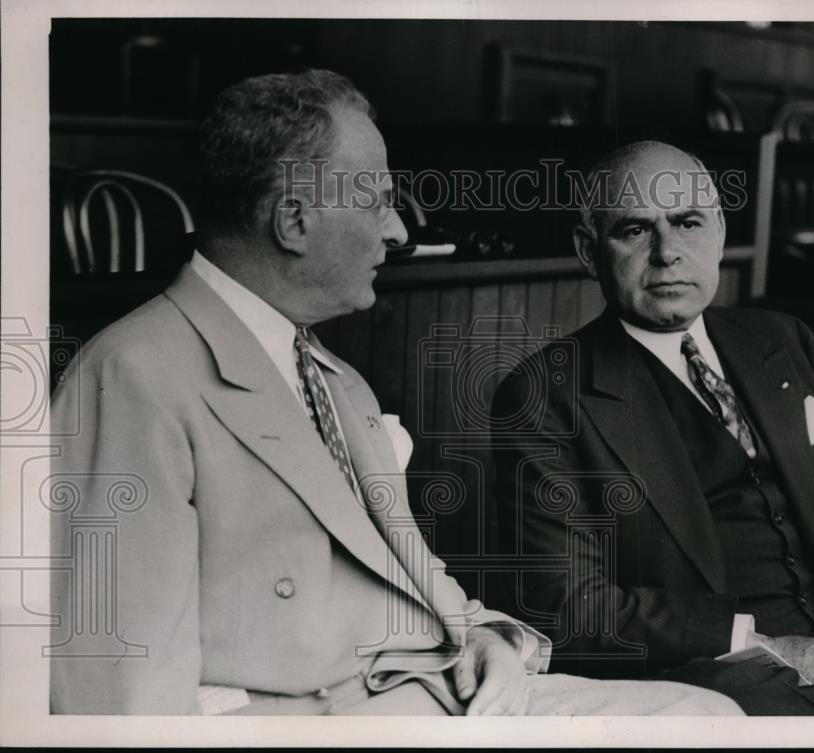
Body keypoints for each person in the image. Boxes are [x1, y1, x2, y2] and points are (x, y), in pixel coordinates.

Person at [48, 72, 740, 717]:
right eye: (379, 200)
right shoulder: (133, 374)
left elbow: (404, 573)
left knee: (708, 716)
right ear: (293, 222)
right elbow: (120, 686)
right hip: (337, 720)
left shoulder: (331, 375)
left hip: (448, 683)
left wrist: (486, 637)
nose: (399, 230)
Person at [491, 140, 814, 715]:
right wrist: (767, 646)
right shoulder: (545, 393)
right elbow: (568, 606)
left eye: (687, 222)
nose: (667, 253)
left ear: (719, 233)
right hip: (709, 682)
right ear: (588, 251)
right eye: (634, 230)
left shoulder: (782, 340)